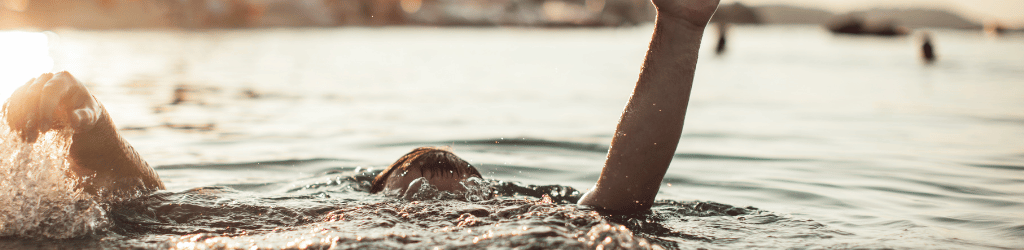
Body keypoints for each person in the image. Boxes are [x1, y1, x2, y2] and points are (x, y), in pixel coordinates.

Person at [2, 0, 720, 214]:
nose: (432, 201)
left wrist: (682, 25)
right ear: (377, 199)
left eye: (450, 194)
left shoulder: (319, 218)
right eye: (413, 191)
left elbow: (161, 217)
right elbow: (620, 205)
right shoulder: (333, 219)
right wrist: (96, 135)